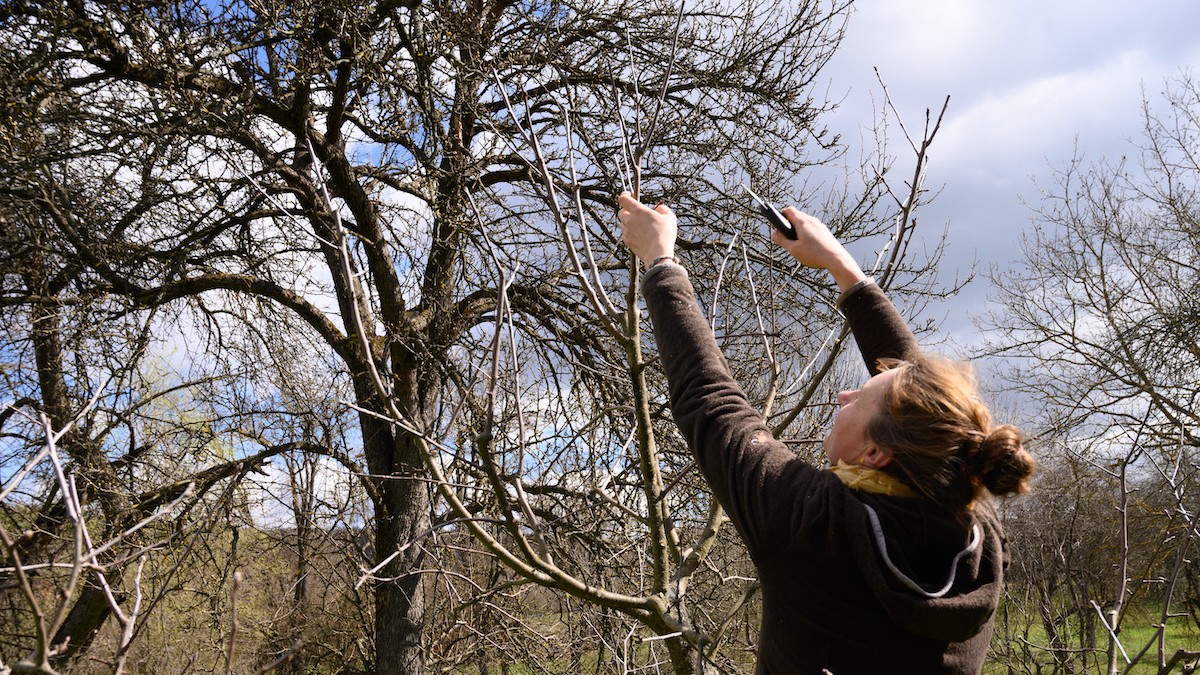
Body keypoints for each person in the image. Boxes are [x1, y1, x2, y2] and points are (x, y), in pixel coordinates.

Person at [616, 192, 1035, 674]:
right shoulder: (978, 534)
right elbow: (927, 404)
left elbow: (711, 401)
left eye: (860, 398)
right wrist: (839, 264)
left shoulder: (815, 525)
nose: (844, 395)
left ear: (875, 453)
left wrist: (660, 261)